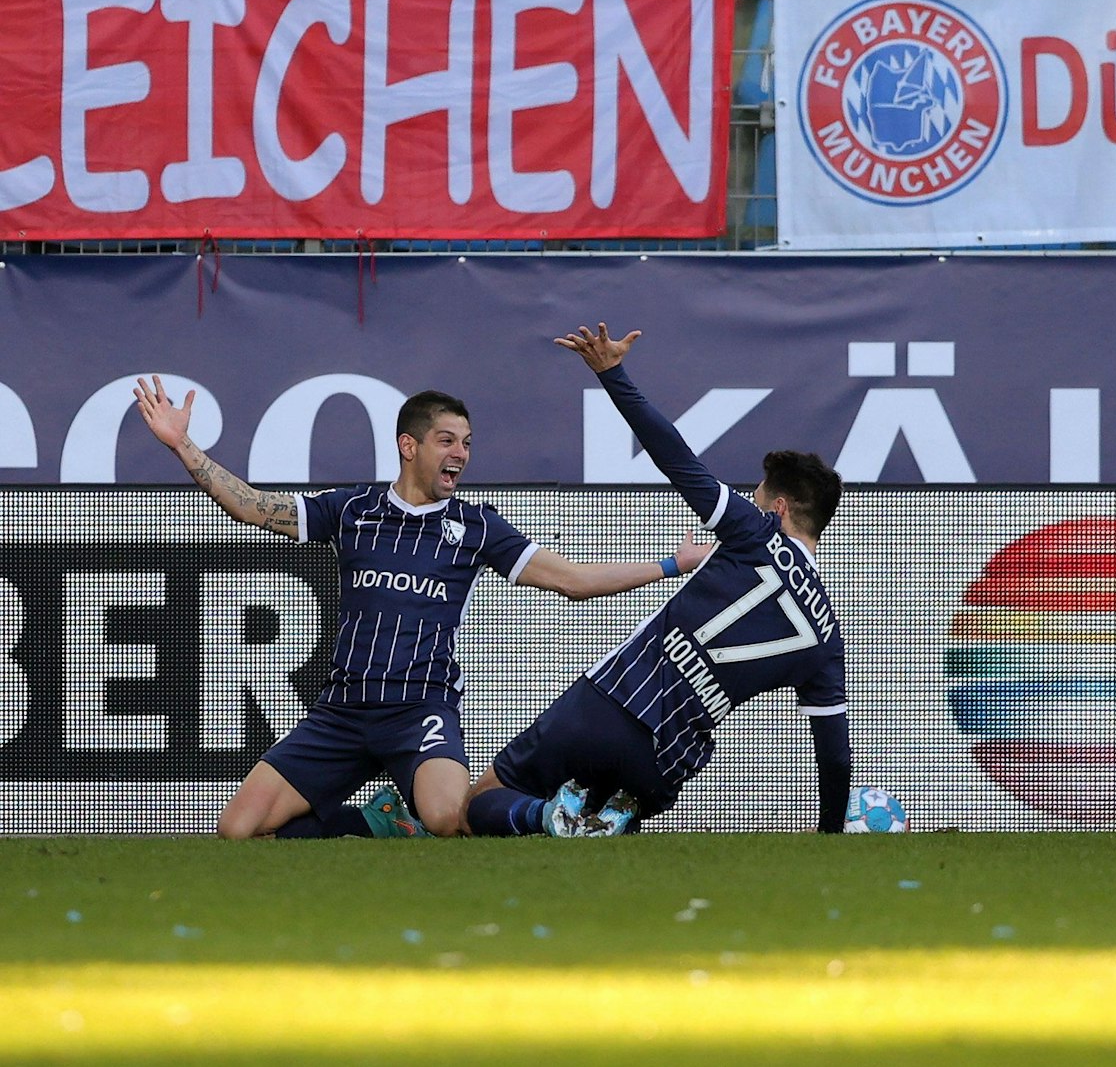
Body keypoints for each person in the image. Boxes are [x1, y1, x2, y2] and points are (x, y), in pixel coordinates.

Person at [134, 379, 680, 839]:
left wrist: (672, 563)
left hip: (420, 711)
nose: (461, 454)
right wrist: (183, 446)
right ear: (409, 445)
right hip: (342, 713)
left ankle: (522, 815)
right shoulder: (351, 509)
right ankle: (380, 822)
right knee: (238, 830)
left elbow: (573, 581)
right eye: (447, 440)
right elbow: (252, 508)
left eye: (466, 442)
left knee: (447, 817)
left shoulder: (475, 525)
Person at [464, 324, 853, 838]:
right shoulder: (826, 634)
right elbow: (834, 752)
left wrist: (613, 374)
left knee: (477, 808)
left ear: (778, 508)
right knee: (586, 842)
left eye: (757, 496)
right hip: (668, 762)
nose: (751, 501)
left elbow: (674, 457)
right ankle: (588, 823)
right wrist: (830, 840)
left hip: (609, 705)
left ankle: (544, 814)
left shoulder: (754, 533)